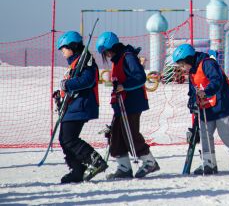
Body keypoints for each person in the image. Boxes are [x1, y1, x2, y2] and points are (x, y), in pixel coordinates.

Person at [173, 43, 229, 175]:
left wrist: (206, 91)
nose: (182, 68)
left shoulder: (207, 63)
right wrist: (192, 102)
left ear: (189, 58)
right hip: (207, 106)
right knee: (205, 133)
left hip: (223, 104)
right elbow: (193, 91)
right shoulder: (192, 71)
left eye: (182, 64)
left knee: (224, 133)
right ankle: (209, 163)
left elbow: (217, 80)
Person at [96, 31, 160, 179]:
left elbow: (140, 77)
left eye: (106, 52)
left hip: (132, 103)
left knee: (131, 133)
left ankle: (149, 161)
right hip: (121, 104)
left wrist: (124, 86)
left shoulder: (128, 56)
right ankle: (124, 167)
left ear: (112, 48)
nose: (107, 55)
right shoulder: (117, 60)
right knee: (116, 135)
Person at [54, 31, 107, 183]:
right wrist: (61, 93)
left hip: (82, 105)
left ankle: (95, 160)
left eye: (64, 47)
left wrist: (67, 84)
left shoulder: (85, 60)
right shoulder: (75, 62)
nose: (62, 51)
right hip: (73, 106)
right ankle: (77, 169)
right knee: (64, 138)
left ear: (72, 46)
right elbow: (73, 83)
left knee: (69, 138)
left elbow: (88, 80)